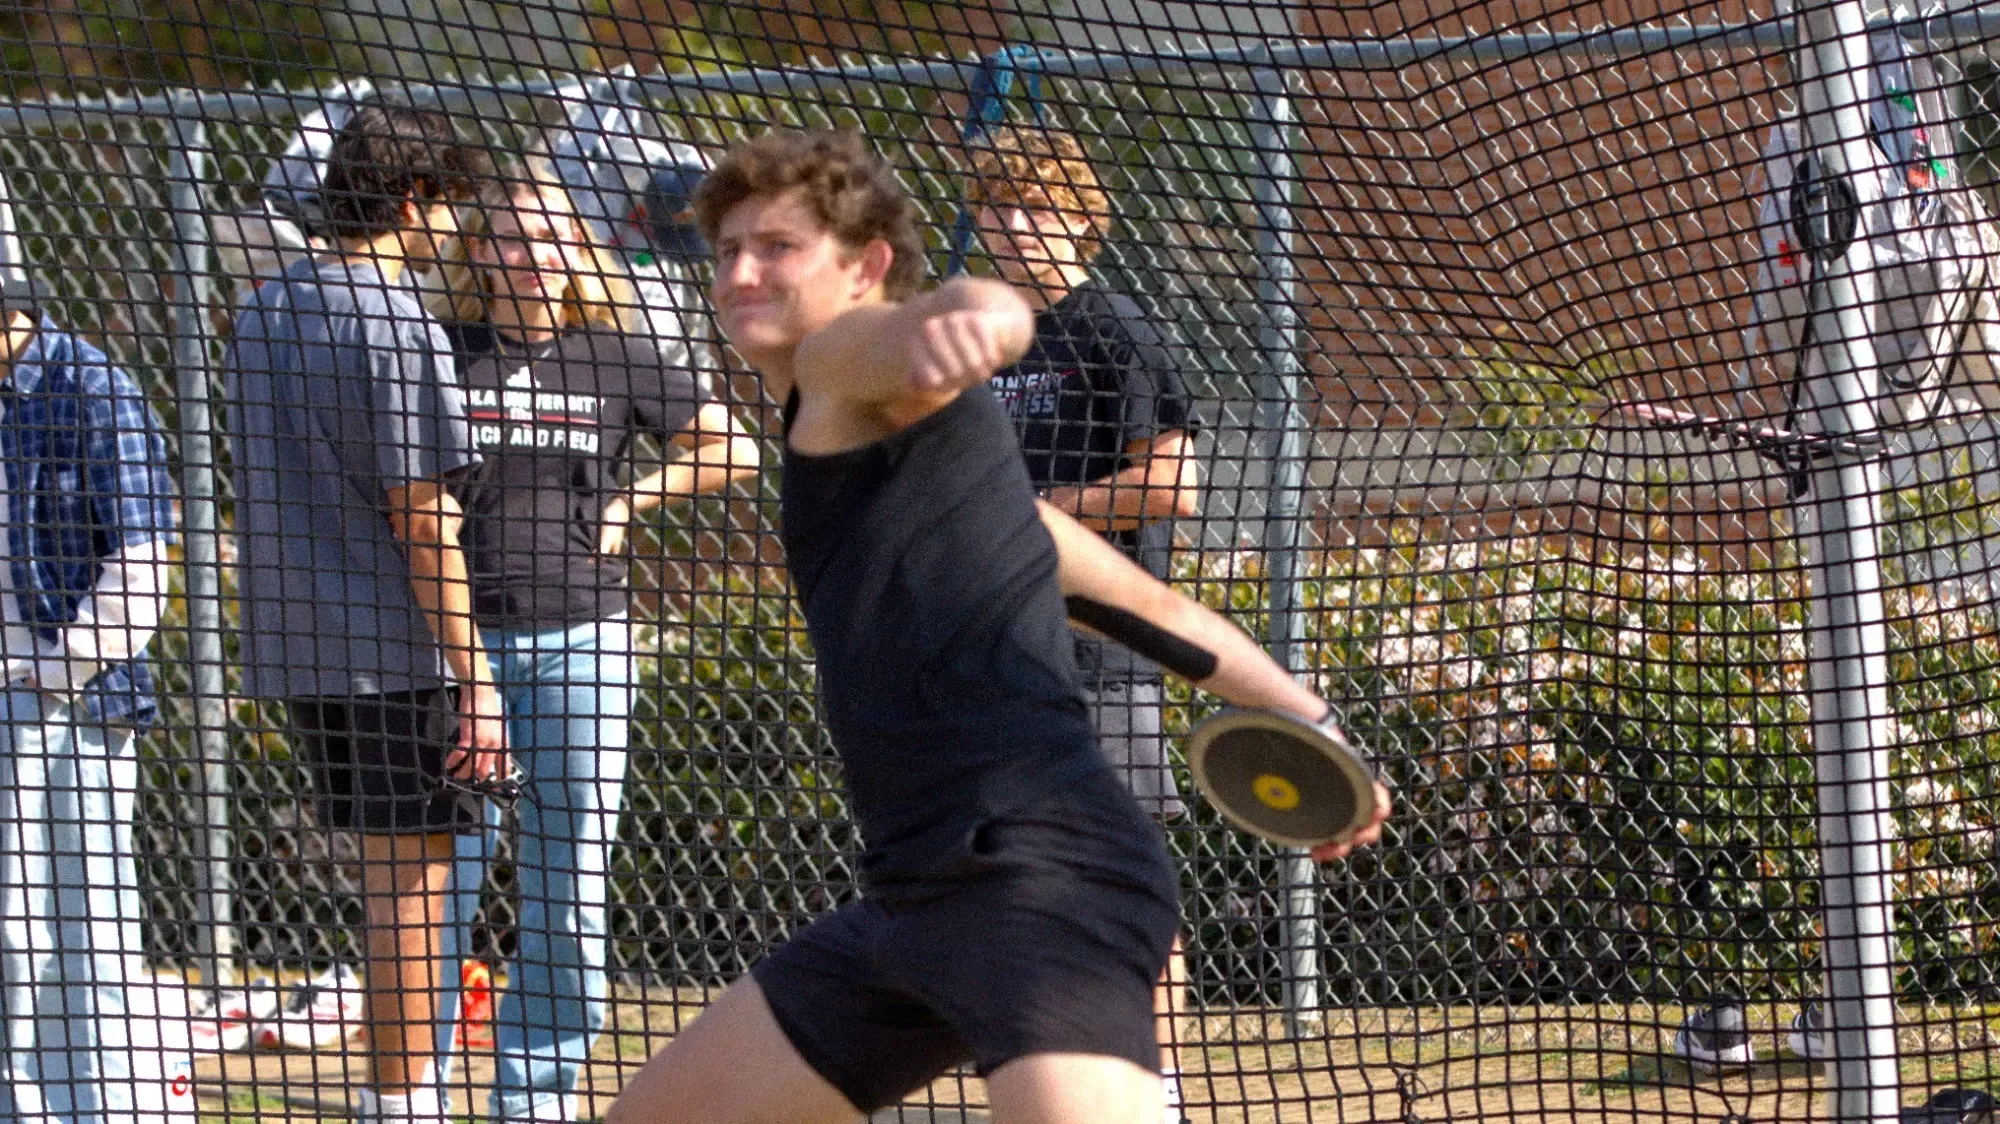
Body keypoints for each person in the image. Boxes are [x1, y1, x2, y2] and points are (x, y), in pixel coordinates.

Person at [604, 128, 1391, 1124]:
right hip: (914, 901)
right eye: (726, 250)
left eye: (777, 246)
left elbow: (953, 312)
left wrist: (978, 320)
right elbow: (1150, 606)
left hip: (1042, 884)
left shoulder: (839, 359)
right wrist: (1311, 718)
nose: (741, 271)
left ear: (865, 267)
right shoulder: (959, 479)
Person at [427, 164, 761, 1123]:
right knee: (441, 883)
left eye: (547, 237)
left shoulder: (615, 355)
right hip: (459, 654)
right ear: (476, 251)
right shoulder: (435, 352)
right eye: (507, 237)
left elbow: (729, 446)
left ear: (579, 249)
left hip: (583, 641)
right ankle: (421, 1089)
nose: (528, 256)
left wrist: (629, 499)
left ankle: (533, 1101)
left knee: (567, 884)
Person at [223, 101, 505, 1124]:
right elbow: (421, 518)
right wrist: (476, 679)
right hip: (392, 653)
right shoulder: (396, 320)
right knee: (411, 897)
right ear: (415, 197)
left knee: (391, 888)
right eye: (450, 205)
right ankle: (404, 1103)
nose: (455, 231)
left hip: (296, 647)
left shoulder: (260, 310)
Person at [967, 124, 1206, 1123]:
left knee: (1124, 872)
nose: (1015, 224)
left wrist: (1038, 516)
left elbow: (1175, 480)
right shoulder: (984, 340)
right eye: (996, 206)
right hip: (997, 655)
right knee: (1013, 882)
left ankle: (1161, 1088)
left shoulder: (1111, 326)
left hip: (1102, 654)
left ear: (1081, 218)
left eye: (1037, 205)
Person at [0, 181, 178, 1124]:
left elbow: (145, 563)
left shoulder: (90, 386)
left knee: (81, 934)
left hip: (70, 703)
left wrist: (58, 670)